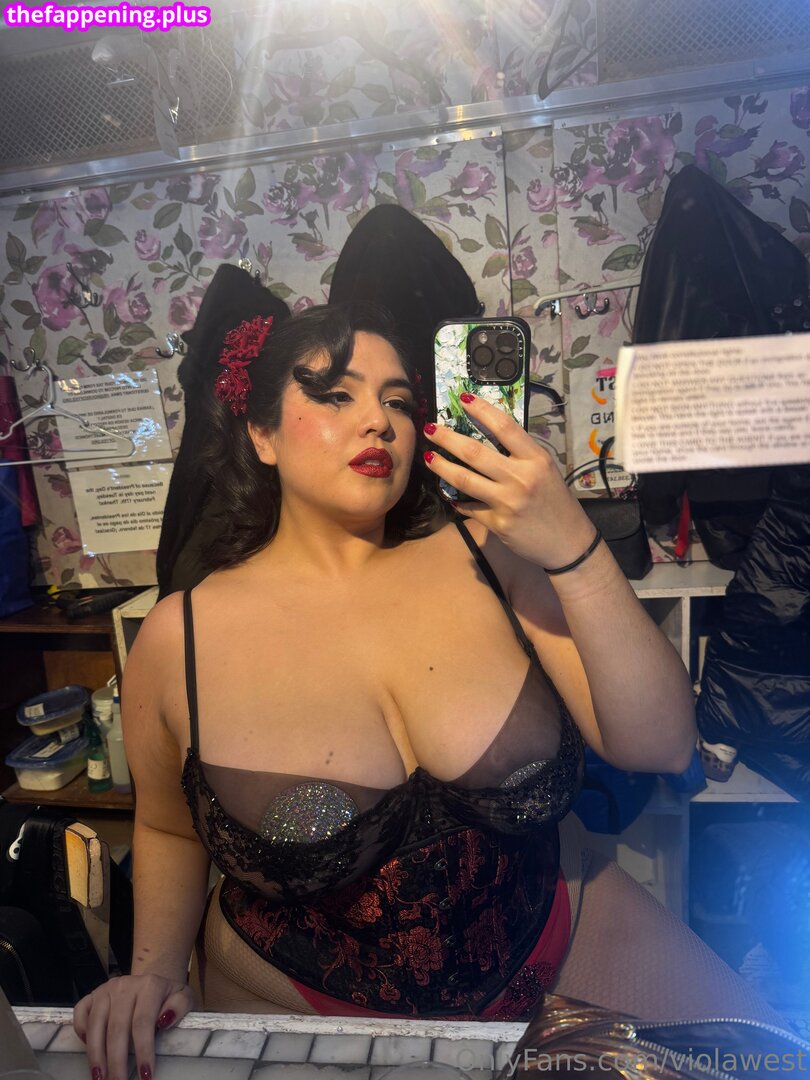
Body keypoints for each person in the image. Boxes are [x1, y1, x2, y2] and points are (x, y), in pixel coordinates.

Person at [74, 304, 784, 1080]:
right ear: (263, 434)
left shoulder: (493, 557)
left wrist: (574, 548)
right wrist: (153, 972)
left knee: (770, 1064)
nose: (378, 421)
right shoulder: (178, 637)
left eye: (399, 401)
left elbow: (664, 745)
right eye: (336, 394)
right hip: (293, 991)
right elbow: (169, 828)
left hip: (560, 931)